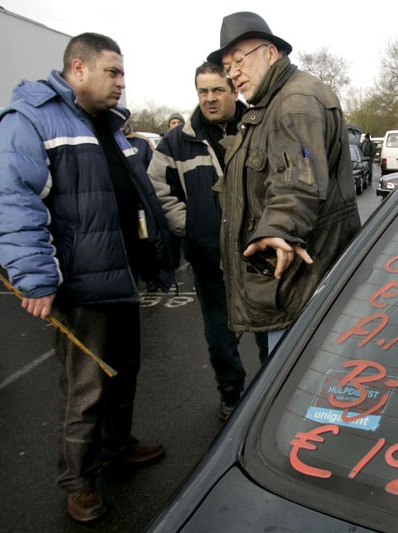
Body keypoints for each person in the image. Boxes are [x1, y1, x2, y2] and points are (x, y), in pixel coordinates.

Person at [0, 32, 175, 523]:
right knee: (85, 387)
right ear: (78, 68)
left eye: (123, 73)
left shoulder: (106, 126)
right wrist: (34, 278)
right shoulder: (31, 119)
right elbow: (9, 198)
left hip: (121, 274)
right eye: (113, 72)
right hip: (81, 282)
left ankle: (117, 445)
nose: (121, 83)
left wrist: (156, 255)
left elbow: (132, 196)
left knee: (123, 370)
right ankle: (79, 481)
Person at [206, 12, 361, 363]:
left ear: (271, 53)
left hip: (296, 288)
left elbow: (298, 181)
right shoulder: (274, 102)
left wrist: (279, 226)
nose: (232, 73)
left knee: (289, 389)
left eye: (239, 60)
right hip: (289, 284)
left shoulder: (294, 102)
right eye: (227, 66)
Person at [148, 62, 248, 421]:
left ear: (234, 90)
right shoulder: (176, 143)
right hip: (210, 258)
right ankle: (232, 393)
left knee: (272, 330)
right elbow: (158, 191)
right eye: (202, 91)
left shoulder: (259, 128)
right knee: (220, 334)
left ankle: (273, 395)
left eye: (217, 90)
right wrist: (192, 227)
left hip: (258, 255)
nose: (209, 98)